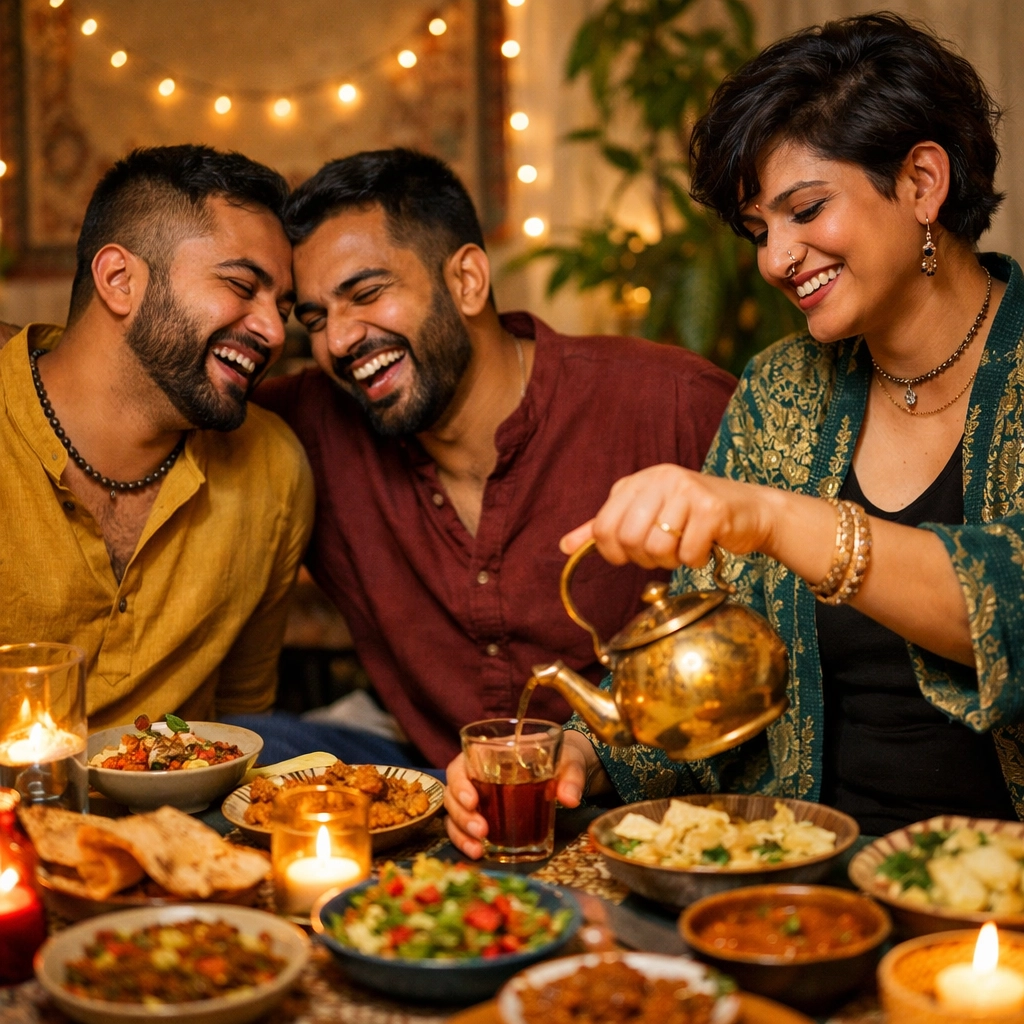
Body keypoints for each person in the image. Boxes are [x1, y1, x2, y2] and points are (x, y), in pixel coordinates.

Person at [444, 12, 1024, 856]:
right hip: (790, 873)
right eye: (759, 230)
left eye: (805, 210)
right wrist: (582, 751)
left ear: (923, 182)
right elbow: (704, 675)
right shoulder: (780, 391)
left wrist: (777, 519)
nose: (775, 258)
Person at [228, 148, 735, 773]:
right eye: (316, 318)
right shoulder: (307, 424)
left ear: (467, 280)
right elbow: (172, 403)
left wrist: (596, 757)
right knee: (242, 748)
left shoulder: (672, 403)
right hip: (437, 777)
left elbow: (777, 639)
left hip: (634, 781)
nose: (338, 341)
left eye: (367, 294)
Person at [0, 145, 314, 728]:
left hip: (187, 818)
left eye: (284, 308)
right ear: (120, 280)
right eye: (242, 285)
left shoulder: (273, 467)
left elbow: (243, 727)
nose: (274, 331)